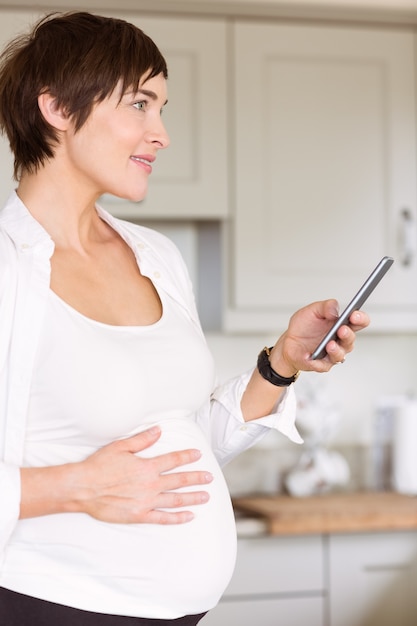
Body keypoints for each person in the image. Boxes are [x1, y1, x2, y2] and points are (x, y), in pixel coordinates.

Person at [0, 11, 369, 626]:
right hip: (52, 604)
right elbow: (100, 479)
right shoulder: (6, 267)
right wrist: (73, 487)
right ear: (58, 109)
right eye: (140, 104)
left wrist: (279, 364)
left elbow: (180, 444)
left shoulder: (157, 257)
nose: (162, 133)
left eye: (161, 108)